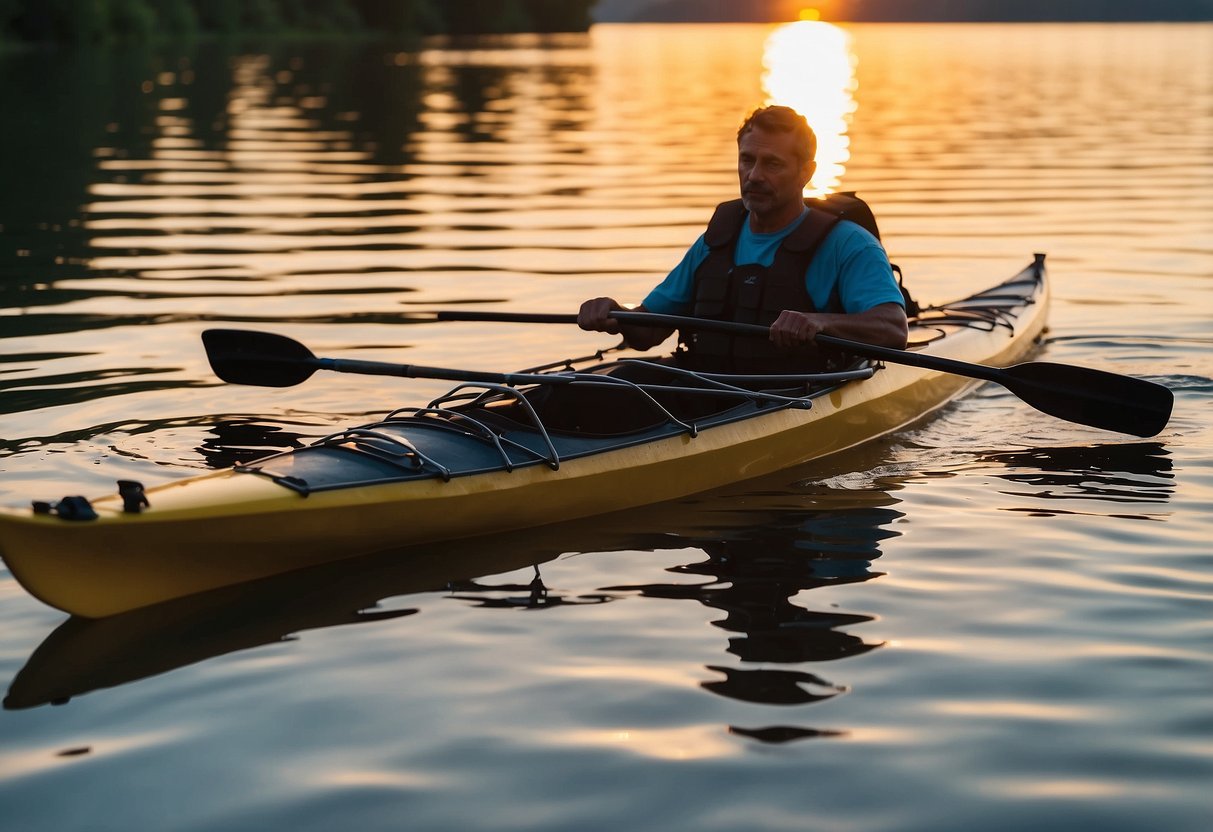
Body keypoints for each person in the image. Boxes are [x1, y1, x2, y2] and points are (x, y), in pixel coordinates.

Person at [578, 105, 908, 374]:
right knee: (622, 378)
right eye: (747, 160)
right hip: (701, 388)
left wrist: (819, 323)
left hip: (789, 395)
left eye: (772, 164)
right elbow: (649, 332)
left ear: (806, 172)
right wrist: (616, 314)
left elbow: (894, 330)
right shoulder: (717, 238)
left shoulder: (847, 244)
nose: (754, 176)